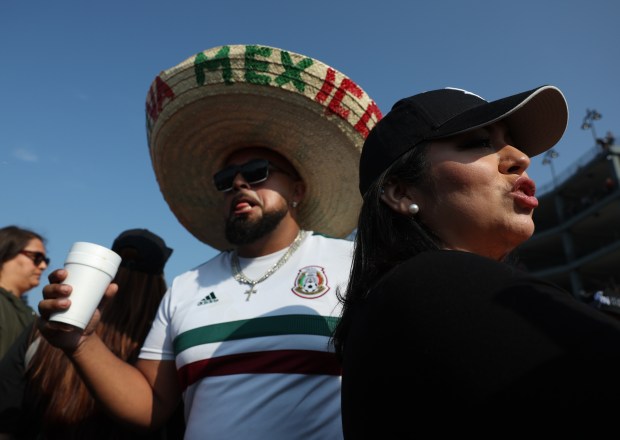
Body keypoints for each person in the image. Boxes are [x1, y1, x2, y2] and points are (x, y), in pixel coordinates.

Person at [35, 44, 381, 439]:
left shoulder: (353, 264)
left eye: (256, 171)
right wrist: (80, 343)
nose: (238, 184)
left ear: (298, 189)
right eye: (226, 180)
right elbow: (150, 405)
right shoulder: (186, 287)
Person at [332, 85, 620, 435]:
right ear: (400, 191)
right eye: (480, 143)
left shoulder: (402, 295)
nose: (521, 158)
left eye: (511, 140)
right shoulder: (430, 281)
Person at [0, 229, 183, 439]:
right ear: (158, 278)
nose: (42, 265)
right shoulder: (164, 341)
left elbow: (6, 408)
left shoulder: (51, 328)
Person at [0, 226, 48, 359]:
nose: (43, 266)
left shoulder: (30, 314)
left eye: (46, 260)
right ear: (6, 253)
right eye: (37, 257)